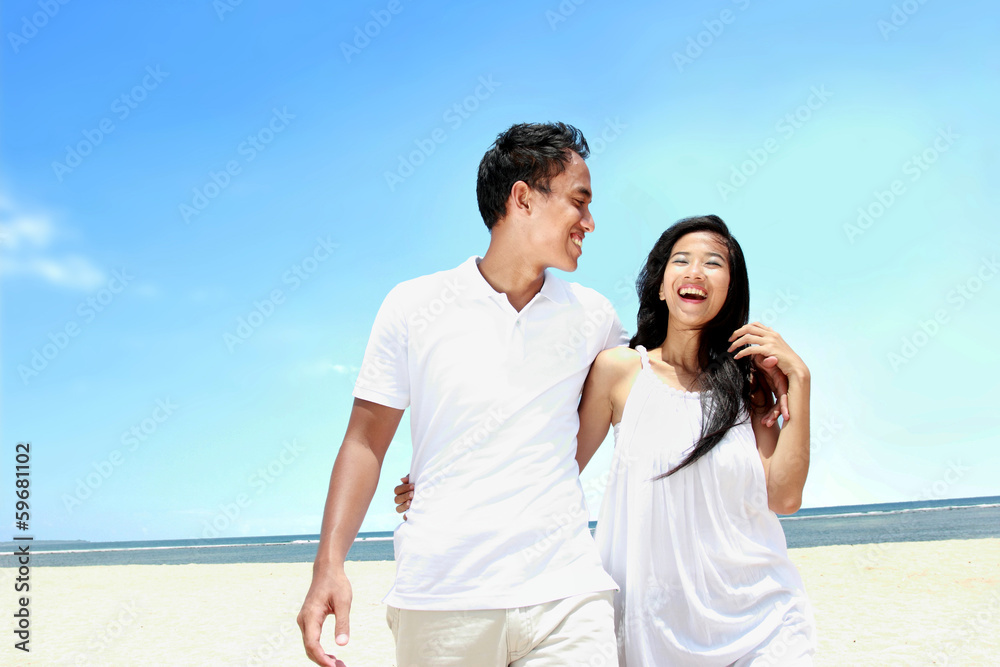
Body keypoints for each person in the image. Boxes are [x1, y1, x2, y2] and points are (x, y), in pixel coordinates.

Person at [396, 215, 813, 665]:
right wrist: (445, 486)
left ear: (731, 288)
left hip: (763, 619)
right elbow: (549, 464)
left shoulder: (749, 383)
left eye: (713, 263)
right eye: (681, 260)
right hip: (654, 627)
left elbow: (784, 497)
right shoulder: (620, 371)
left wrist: (801, 382)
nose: (695, 272)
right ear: (659, 284)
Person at [298, 122, 629, 666]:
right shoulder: (412, 305)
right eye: (578, 202)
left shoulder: (594, 318)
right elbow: (364, 441)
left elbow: (653, 387)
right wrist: (327, 566)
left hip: (567, 593)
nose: (589, 222)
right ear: (522, 198)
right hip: (441, 598)